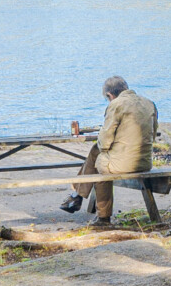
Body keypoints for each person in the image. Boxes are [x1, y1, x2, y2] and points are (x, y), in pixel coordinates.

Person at [61, 75, 158, 222]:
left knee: (100, 162)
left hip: (125, 164)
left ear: (109, 95)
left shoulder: (116, 105)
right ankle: (76, 197)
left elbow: (105, 142)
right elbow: (153, 135)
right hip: (145, 162)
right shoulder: (149, 103)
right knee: (96, 152)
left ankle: (101, 217)